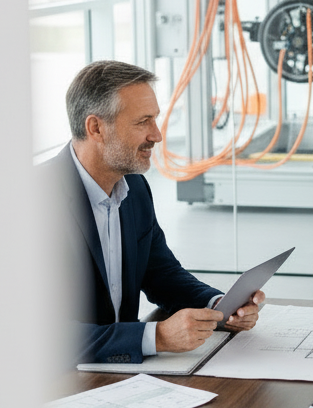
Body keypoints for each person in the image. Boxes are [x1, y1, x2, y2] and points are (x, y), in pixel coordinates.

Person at [40, 60, 264, 364]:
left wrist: (220, 307)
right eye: (142, 122)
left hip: (120, 375)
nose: (157, 135)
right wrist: (156, 337)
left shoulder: (134, 188)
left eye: (155, 119)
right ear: (96, 128)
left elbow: (162, 274)